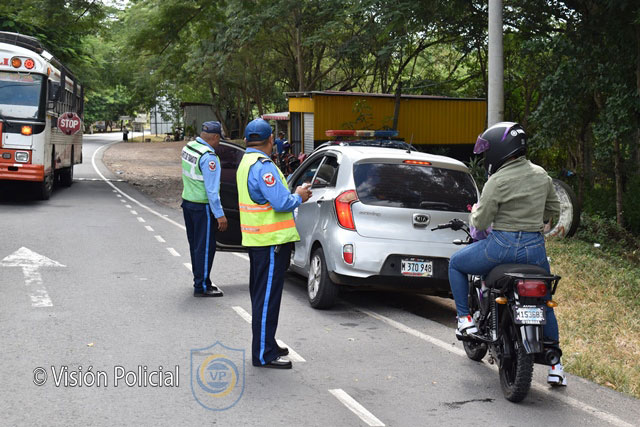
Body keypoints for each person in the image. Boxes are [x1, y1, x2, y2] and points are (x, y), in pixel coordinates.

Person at [447, 121, 567, 386]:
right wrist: (540, 219)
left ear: (500, 150)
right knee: (544, 302)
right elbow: (553, 212)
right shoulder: (541, 175)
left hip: (501, 246)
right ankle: (556, 366)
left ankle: (465, 319)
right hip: (535, 248)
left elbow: (480, 222)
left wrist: (474, 212)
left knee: (456, 263)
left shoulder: (497, 180)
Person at [236, 118, 312, 369]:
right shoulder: (263, 166)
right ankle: (263, 353)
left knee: (263, 296)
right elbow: (281, 203)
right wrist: (299, 196)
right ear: (271, 140)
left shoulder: (245, 162)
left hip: (259, 241)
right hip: (271, 243)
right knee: (267, 298)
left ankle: (267, 342)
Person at [181, 121, 228, 297]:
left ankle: (202, 279)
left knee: (196, 246)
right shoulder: (209, 157)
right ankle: (201, 286)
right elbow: (212, 191)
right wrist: (220, 215)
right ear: (215, 137)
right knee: (206, 248)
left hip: (188, 203)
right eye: (219, 139)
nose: (219, 143)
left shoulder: (189, 148)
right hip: (203, 207)